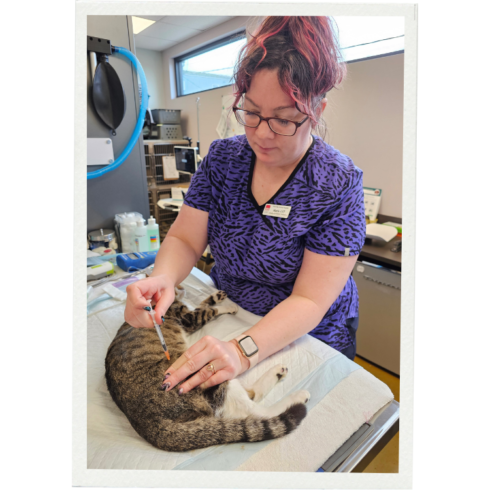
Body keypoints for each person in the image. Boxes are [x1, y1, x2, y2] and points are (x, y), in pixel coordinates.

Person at [125, 16, 366, 396]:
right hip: (231, 314)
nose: (262, 133)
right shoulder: (224, 159)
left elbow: (309, 299)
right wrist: (164, 277)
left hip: (308, 333)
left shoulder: (337, 181)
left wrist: (242, 351)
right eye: (251, 113)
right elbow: (186, 239)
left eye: (283, 119)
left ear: (316, 110)